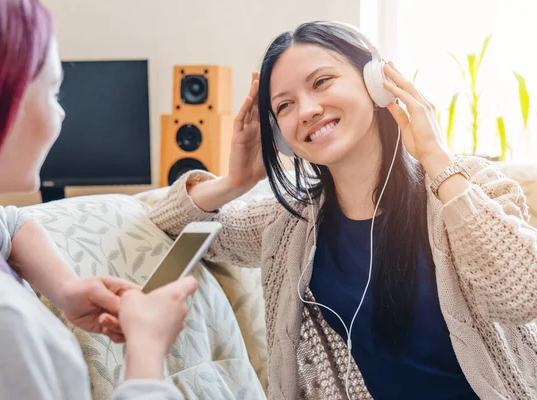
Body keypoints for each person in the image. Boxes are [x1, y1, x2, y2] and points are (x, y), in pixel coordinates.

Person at [149, 21, 537, 399]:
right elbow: (172, 220)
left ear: (376, 83)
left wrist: (436, 159)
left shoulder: (468, 185)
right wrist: (234, 181)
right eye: (284, 105)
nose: (307, 110)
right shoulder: (290, 223)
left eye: (321, 82)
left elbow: (522, 295)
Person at [0, 1, 197, 399]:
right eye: (54, 92)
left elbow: (5, 224)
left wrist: (68, 289)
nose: (60, 116)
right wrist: (147, 348)